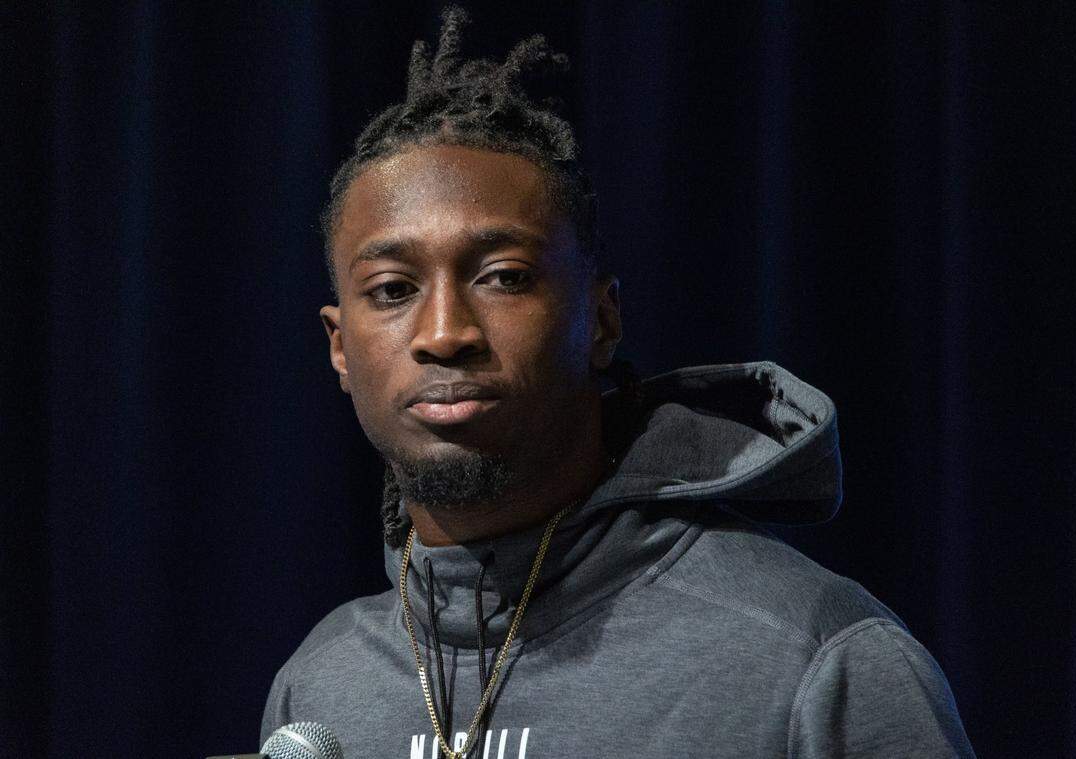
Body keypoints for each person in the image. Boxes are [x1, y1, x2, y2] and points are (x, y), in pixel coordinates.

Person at [261, 6, 976, 757]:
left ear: (601, 322)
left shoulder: (811, 658)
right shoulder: (319, 691)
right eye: (392, 289)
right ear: (340, 347)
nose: (444, 333)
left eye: (504, 277)